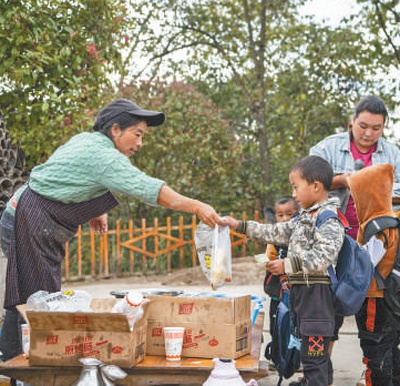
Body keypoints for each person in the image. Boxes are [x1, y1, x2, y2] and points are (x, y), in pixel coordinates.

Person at [0, 99, 223, 363]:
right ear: (115, 130)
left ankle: (11, 360)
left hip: (27, 215)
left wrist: (95, 211)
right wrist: (195, 206)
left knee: (32, 295)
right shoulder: (104, 157)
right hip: (27, 220)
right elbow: (147, 188)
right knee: (37, 302)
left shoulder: (87, 141)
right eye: (136, 134)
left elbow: (66, 176)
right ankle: (31, 366)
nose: (140, 143)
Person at [223, 155, 345, 386]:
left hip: (317, 297)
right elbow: (275, 233)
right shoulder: (304, 218)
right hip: (304, 295)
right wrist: (238, 225)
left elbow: (324, 256)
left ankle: (315, 381)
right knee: (311, 353)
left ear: (316, 186)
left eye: (296, 187)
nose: (295, 193)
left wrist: (287, 265)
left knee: (314, 356)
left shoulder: (328, 219)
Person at [309, 95, 400, 362]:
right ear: (352, 122)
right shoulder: (327, 148)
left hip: (377, 248)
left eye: (376, 128)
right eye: (363, 126)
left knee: (374, 316)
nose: (368, 133)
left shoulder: (393, 153)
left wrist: (377, 189)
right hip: (334, 244)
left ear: (384, 127)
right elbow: (308, 184)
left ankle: (373, 370)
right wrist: (344, 180)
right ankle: (319, 375)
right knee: (326, 317)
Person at [348, 163, 400, 386]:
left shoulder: (376, 225)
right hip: (392, 299)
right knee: (390, 350)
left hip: (375, 301)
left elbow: (365, 265)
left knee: (375, 353)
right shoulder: (393, 218)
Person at [263, 196, 299, 370]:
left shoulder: (301, 236)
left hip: (296, 293)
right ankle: (276, 358)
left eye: (290, 214)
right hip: (277, 292)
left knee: (294, 327)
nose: (285, 219)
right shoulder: (275, 237)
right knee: (275, 325)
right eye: (280, 215)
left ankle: (294, 359)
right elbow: (269, 258)